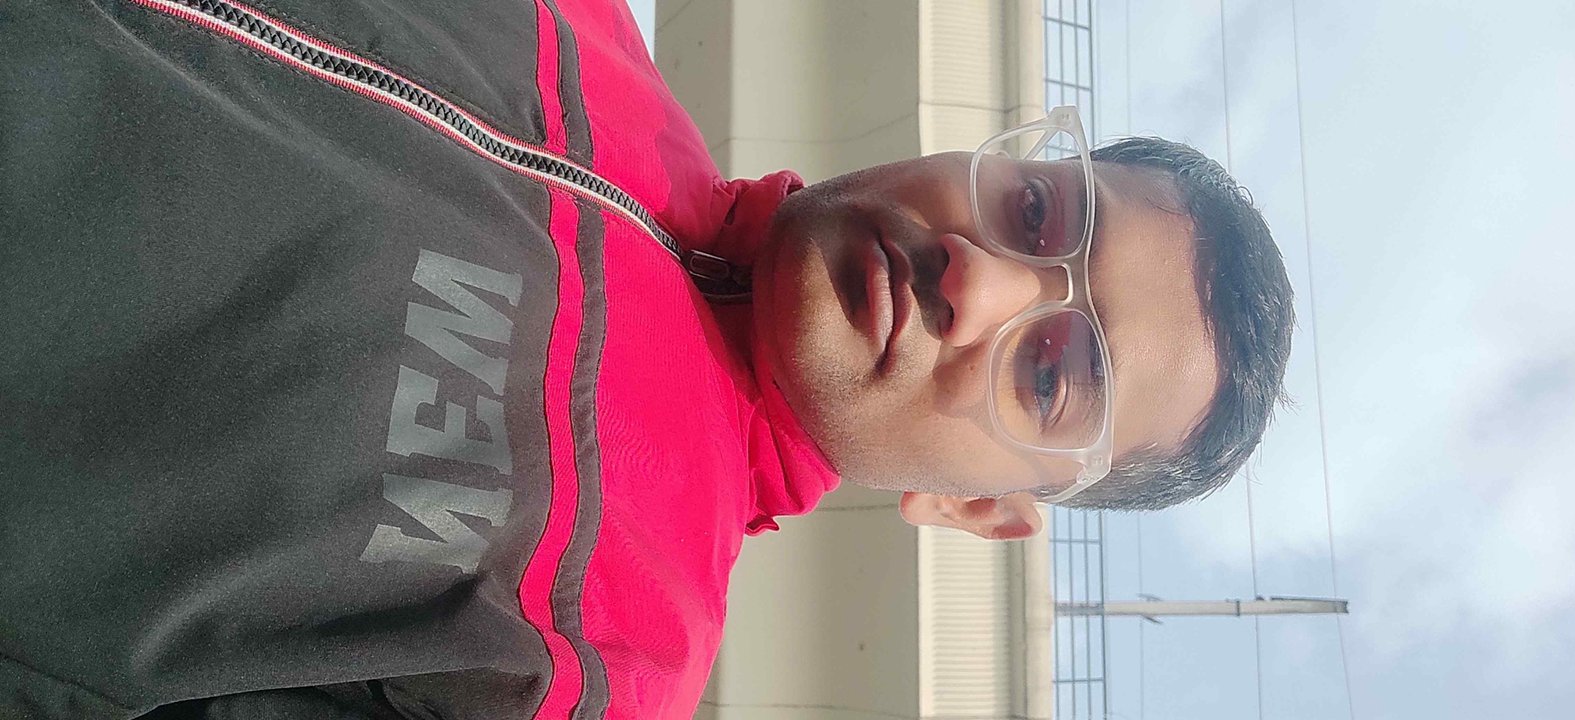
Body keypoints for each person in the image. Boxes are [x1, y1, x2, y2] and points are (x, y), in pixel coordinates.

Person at [0, 0, 1292, 718]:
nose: (981, 277)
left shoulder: (598, 668)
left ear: (974, 509)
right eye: (1039, 211)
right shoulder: (578, 22)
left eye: (1051, 374)